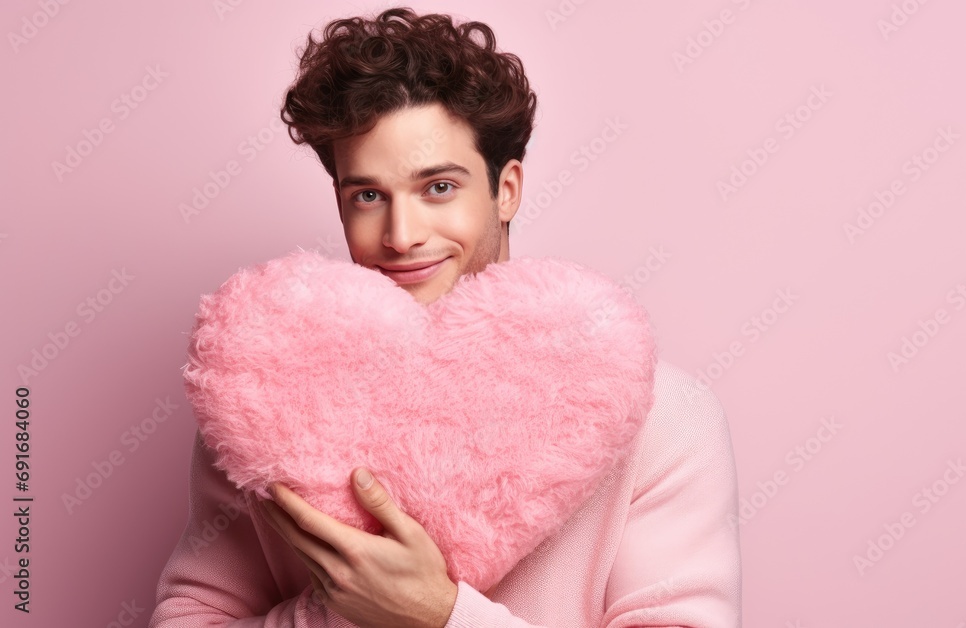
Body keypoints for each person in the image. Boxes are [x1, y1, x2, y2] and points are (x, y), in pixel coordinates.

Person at [149, 6, 742, 627]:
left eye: (438, 187)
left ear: (506, 188)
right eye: (369, 196)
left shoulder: (661, 421)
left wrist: (440, 615)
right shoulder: (268, 403)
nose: (402, 236)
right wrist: (342, 613)